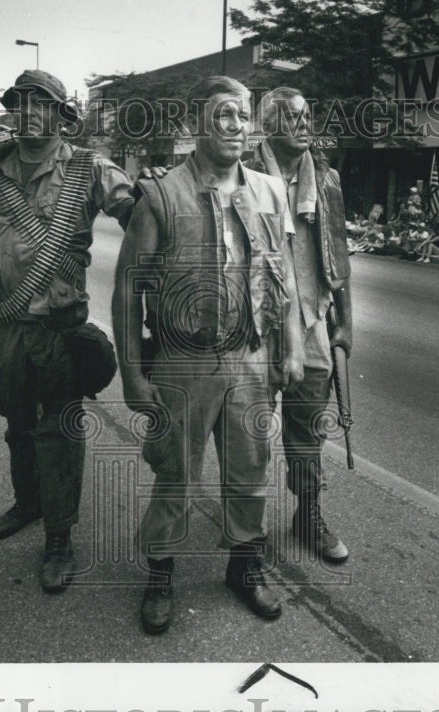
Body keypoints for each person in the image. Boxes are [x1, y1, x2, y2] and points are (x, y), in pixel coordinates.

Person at [112, 76, 305, 635]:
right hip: (181, 363)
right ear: (197, 123)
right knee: (175, 476)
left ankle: (243, 570)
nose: (237, 128)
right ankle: (161, 575)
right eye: (224, 115)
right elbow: (128, 291)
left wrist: (289, 347)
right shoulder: (163, 195)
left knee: (249, 472)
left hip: (249, 360)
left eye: (244, 117)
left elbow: (284, 275)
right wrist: (131, 374)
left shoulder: (270, 191)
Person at [0, 69, 136, 594]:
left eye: (39, 103)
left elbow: (138, 212)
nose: (26, 112)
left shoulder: (88, 168)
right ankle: (27, 503)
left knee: (59, 433)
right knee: (17, 423)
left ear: (61, 115)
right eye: (17, 103)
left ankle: (59, 539)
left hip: (56, 330)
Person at [247, 87, 352, 563]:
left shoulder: (326, 180)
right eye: (292, 117)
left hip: (311, 322)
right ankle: (245, 528)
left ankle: (307, 514)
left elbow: (337, 255)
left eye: (308, 115)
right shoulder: (241, 175)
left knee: (308, 430)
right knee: (246, 433)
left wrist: (344, 325)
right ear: (270, 125)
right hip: (253, 325)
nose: (305, 124)